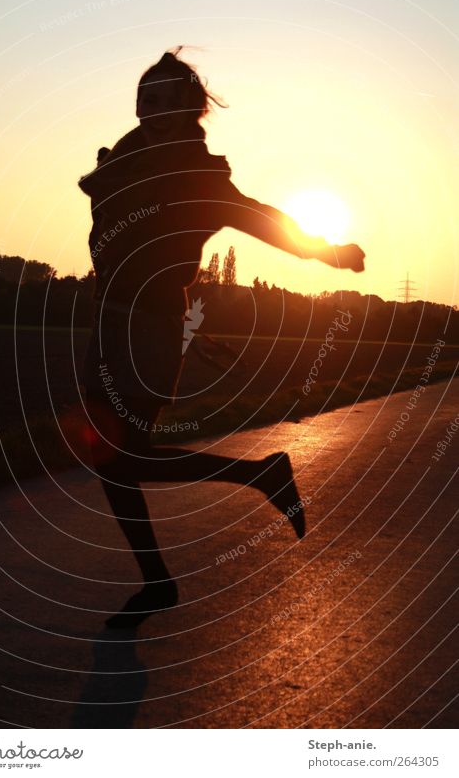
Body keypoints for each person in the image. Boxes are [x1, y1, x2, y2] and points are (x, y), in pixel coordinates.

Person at [78, 47, 365, 628]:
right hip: (109, 319)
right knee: (112, 460)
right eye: (144, 96)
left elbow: (259, 217)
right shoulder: (128, 161)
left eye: (164, 98)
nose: (149, 107)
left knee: (121, 456)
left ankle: (255, 479)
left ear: (190, 110)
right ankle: (161, 578)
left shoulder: (199, 178)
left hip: (152, 325)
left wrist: (328, 251)